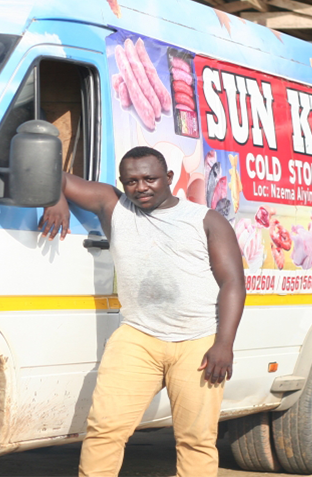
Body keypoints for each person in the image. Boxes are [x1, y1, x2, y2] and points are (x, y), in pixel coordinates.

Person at [39, 146, 245, 477]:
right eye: (132, 181)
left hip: (198, 341)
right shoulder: (113, 206)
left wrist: (224, 344)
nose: (141, 187)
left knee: (196, 440)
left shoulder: (206, 220)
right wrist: (54, 199)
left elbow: (232, 283)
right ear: (122, 182)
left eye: (150, 179)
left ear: (169, 177)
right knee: (105, 429)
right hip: (138, 337)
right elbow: (54, 175)